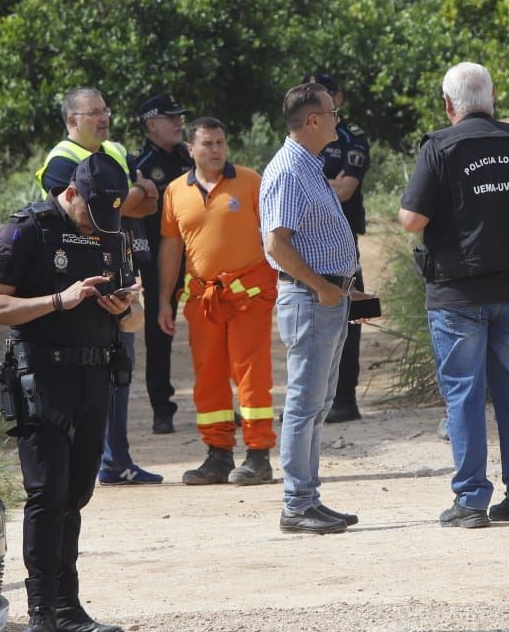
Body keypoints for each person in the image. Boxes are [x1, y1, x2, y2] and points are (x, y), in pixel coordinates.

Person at [398, 62, 509, 529]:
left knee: (464, 395)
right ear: (493, 96)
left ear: (448, 104)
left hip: (457, 296)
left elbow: (411, 220)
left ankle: (472, 501)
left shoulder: (440, 147)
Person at [0, 152, 138, 632]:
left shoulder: (112, 232)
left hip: (94, 376)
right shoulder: (29, 229)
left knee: (76, 497)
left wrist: (124, 309)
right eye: (92, 214)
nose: (99, 227)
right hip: (41, 378)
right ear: (71, 193)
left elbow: (133, 320)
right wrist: (58, 301)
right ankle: (41, 615)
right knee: (46, 496)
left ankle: (69, 611)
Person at [260, 83, 374, 535]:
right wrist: (324, 288)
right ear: (312, 120)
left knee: (319, 402)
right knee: (305, 402)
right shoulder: (290, 170)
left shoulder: (308, 165)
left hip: (325, 298)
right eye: (330, 113)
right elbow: (276, 244)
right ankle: (296, 503)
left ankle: (308, 498)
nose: (337, 120)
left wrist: (343, 289)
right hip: (309, 300)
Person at [34, 87, 162, 486]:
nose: (104, 118)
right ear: (72, 120)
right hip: (78, 273)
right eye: (93, 113)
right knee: (94, 372)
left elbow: (140, 204)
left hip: (117, 268)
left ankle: (116, 458)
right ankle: (98, 459)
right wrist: (132, 195)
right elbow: (91, 209)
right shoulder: (61, 159)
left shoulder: (116, 151)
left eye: (106, 110)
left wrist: (128, 197)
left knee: (121, 366)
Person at [157, 117, 279, 486]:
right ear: (190, 149)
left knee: (251, 373)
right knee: (207, 376)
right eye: (207, 143)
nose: (215, 150)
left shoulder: (251, 181)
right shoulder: (176, 192)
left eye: (220, 142)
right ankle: (218, 455)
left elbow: (275, 233)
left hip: (250, 296)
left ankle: (258, 455)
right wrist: (164, 299)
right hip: (202, 298)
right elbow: (171, 247)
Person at [305, 72, 371, 424]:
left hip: (344, 242)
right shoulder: (299, 140)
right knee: (308, 318)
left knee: (354, 315)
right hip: (305, 244)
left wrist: (306, 186)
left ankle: (346, 398)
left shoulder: (351, 137)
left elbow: (346, 190)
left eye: (324, 95)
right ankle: (314, 399)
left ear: (338, 99)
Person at [130, 93, 193, 434]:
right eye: (171, 118)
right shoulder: (139, 163)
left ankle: (224, 403)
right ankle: (161, 408)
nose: (178, 123)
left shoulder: (190, 155)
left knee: (216, 326)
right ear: (151, 123)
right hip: (158, 258)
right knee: (159, 332)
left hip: (198, 255)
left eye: (180, 117)